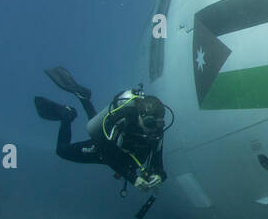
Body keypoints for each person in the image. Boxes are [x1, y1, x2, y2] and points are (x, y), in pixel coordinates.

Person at [33, 67, 171, 198]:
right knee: (62, 150)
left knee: (97, 125)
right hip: (104, 149)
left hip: (124, 158)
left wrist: (159, 177)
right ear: (139, 115)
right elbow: (105, 152)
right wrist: (132, 178)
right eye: (149, 123)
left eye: (158, 124)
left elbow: (158, 163)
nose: (152, 128)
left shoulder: (156, 131)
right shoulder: (124, 117)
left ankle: (83, 97)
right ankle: (66, 115)